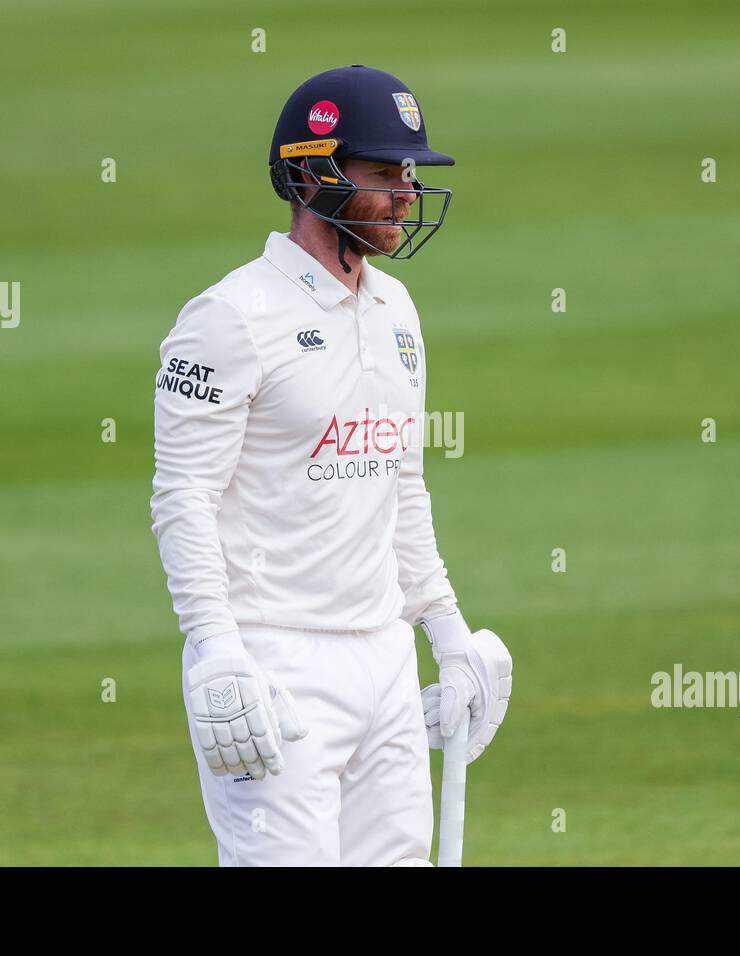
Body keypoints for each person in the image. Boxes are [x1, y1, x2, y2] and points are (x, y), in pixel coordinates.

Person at [151, 65, 512, 866]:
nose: (406, 194)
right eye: (384, 174)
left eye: (410, 174)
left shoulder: (397, 310)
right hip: (275, 661)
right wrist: (214, 649)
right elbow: (184, 497)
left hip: (383, 655)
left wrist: (446, 635)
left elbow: (400, 488)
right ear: (313, 173)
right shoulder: (227, 319)